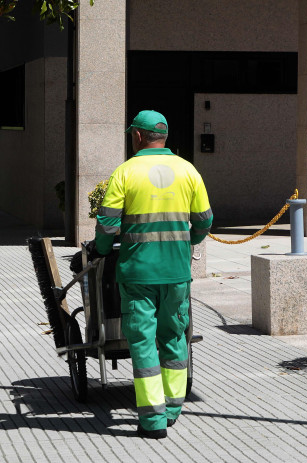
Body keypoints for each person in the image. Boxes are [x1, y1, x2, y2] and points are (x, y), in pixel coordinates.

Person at [94, 110, 213, 439]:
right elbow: (204, 220)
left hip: (137, 275)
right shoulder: (188, 170)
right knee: (175, 337)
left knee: (143, 343)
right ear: (164, 136)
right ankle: (173, 409)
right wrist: (190, 242)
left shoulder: (126, 172)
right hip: (176, 273)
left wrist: (101, 249)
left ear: (137, 136)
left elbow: (107, 225)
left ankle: (152, 419)